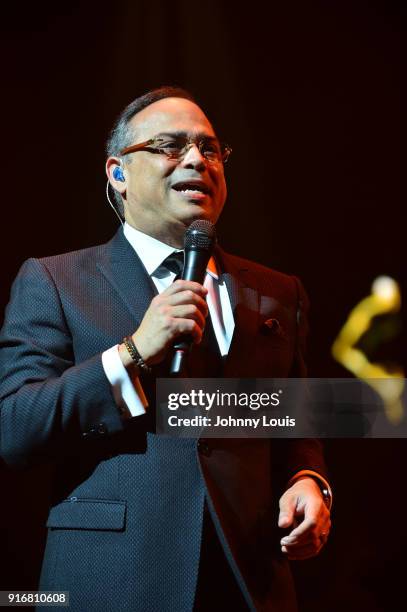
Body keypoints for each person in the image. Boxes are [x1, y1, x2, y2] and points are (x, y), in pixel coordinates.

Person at [0, 86, 331, 612]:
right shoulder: (57, 281)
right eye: (170, 146)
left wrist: (307, 480)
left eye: (211, 148)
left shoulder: (278, 291)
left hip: (250, 579)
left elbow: (292, 421)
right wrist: (132, 352)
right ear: (118, 173)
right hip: (113, 575)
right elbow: (15, 427)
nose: (198, 159)